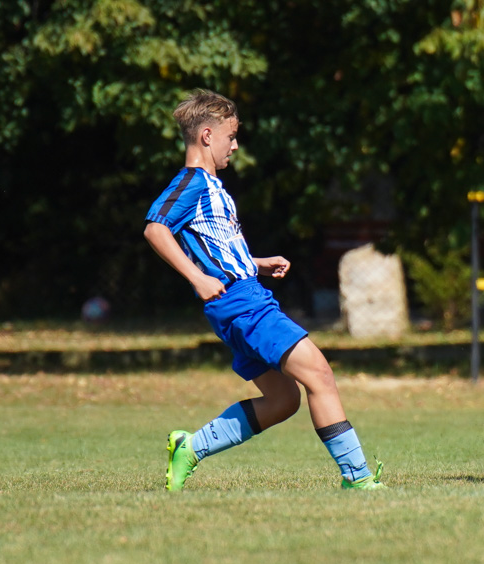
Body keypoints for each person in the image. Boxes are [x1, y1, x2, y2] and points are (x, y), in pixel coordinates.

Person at [144, 89, 386, 491]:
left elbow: (213, 247)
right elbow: (155, 228)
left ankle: (190, 447)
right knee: (320, 376)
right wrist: (196, 278)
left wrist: (255, 262)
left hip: (241, 297)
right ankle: (357, 478)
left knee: (283, 401)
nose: (235, 145)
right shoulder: (191, 182)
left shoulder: (212, 187)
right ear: (206, 135)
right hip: (241, 302)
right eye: (230, 136)